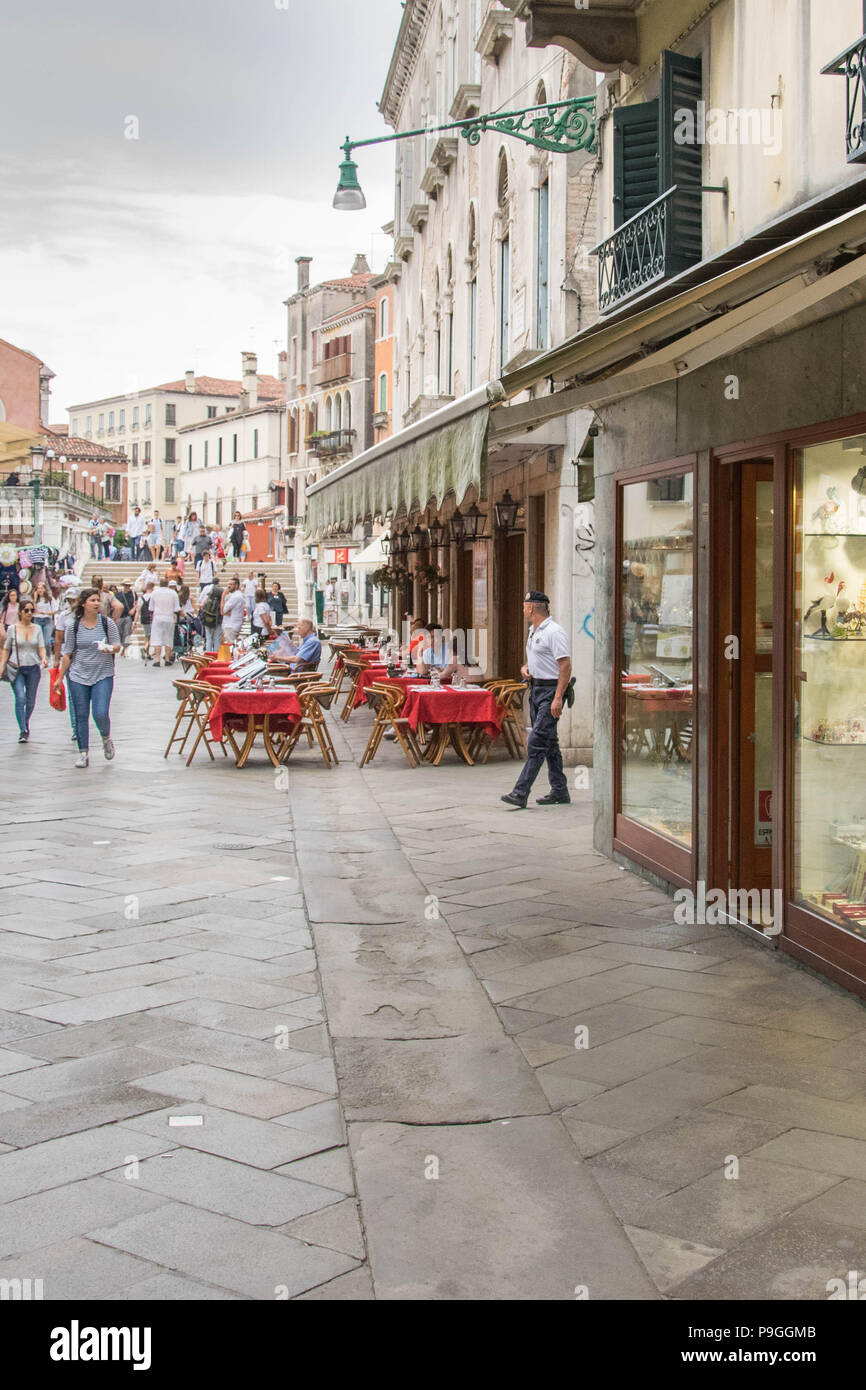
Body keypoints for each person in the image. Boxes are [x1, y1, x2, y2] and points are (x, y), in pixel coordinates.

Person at [501, 591, 573, 810]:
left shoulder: (554, 632)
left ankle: (520, 792)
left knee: (537, 741)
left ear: (532, 608)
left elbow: (565, 666)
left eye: (524, 607)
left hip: (551, 692)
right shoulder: (533, 631)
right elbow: (538, 658)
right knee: (550, 744)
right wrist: (526, 667)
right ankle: (560, 790)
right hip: (536, 689)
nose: (523, 610)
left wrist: (558, 697)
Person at [59, 588, 121, 768]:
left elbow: (117, 645)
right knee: (81, 714)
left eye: (98, 600)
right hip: (78, 674)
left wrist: (110, 648)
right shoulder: (74, 626)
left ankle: (106, 736)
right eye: (93, 600)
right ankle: (83, 753)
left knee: (100, 712)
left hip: (103, 673)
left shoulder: (107, 623)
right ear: (84, 603)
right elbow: (67, 653)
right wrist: (59, 677)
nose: (96, 603)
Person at [0, 596, 49, 742]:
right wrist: (2, 666)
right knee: (20, 698)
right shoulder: (12, 629)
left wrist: (44, 658)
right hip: (17, 668)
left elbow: (41, 647)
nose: (29, 613)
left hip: (33, 668)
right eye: (26, 610)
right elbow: (6, 649)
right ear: (20, 612)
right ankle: (23, 729)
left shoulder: (37, 629)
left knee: (30, 701)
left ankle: (25, 721)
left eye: (31, 610)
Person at [148, 578, 180, 668]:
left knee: (157, 638)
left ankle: (157, 659)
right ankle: (167, 659)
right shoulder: (173, 593)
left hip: (158, 616)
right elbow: (177, 608)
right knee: (168, 638)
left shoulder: (154, 593)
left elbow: (151, 608)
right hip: (169, 617)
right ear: (168, 584)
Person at [199, 579, 223, 652]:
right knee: (216, 639)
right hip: (217, 621)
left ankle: (208, 654)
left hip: (208, 619)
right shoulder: (221, 599)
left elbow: (201, 604)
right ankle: (215, 655)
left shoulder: (208, 596)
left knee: (208, 638)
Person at [220, 577, 245, 645]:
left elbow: (222, 610)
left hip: (231, 626)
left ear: (236, 586)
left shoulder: (236, 596)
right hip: (230, 624)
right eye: (228, 584)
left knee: (230, 648)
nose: (229, 586)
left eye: (231, 584)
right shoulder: (234, 595)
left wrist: (223, 596)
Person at [115, 582, 138, 652]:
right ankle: (121, 645)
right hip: (120, 615)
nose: (127, 586)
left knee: (127, 633)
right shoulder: (118, 594)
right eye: (126, 585)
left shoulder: (133, 594)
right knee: (119, 632)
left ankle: (125, 648)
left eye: (128, 585)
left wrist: (133, 609)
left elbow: (137, 603)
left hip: (128, 616)